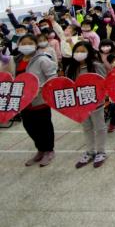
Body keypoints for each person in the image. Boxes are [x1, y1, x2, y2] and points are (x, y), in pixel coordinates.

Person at [14, 34, 58, 167]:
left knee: (44, 127)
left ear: (35, 44)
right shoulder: (17, 59)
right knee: (29, 126)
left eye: (29, 43)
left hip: (40, 101)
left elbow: (53, 77)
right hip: (23, 101)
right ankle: (40, 149)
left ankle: (49, 151)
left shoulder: (42, 59)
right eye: (23, 43)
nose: (26, 46)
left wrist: (40, 89)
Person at [65, 41, 108, 168]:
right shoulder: (71, 68)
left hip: (95, 103)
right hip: (80, 104)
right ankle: (90, 152)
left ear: (89, 52)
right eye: (77, 51)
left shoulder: (96, 66)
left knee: (99, 127)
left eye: (82, 51)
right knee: (87, 128)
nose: (79, 54)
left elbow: (103, 83)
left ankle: (101, 152)